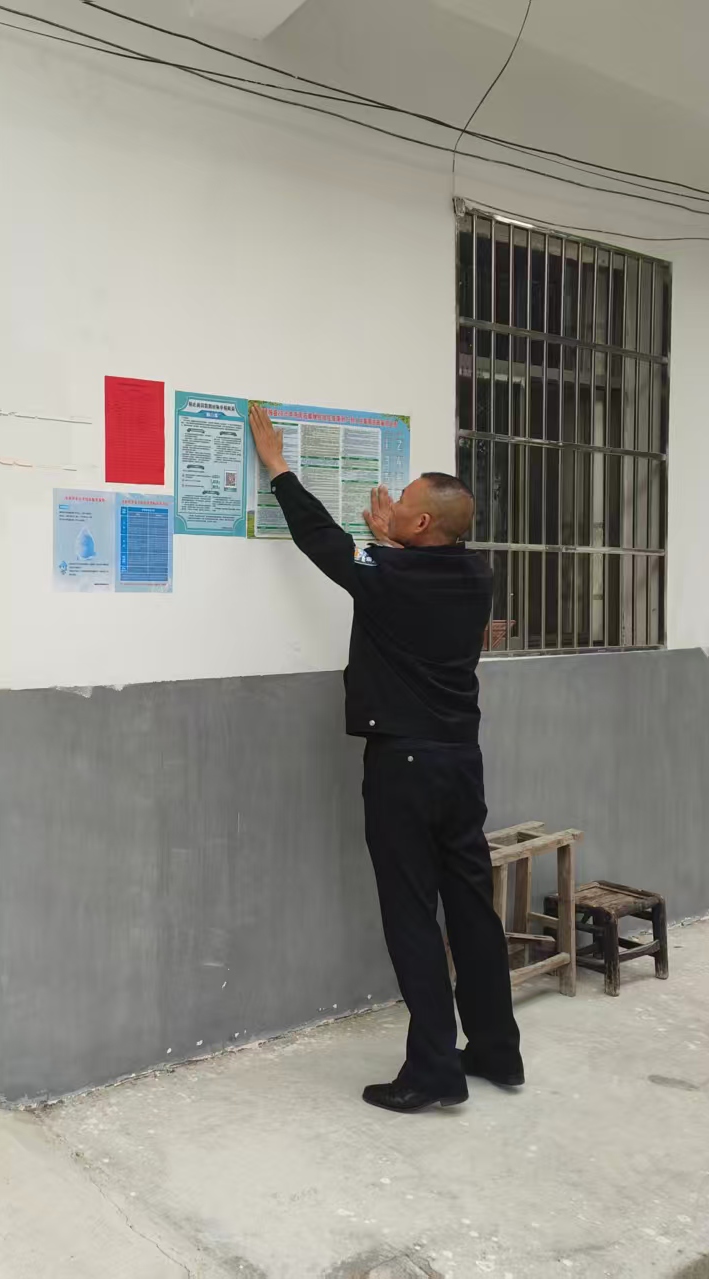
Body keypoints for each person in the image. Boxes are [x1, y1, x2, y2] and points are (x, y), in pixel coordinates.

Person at [248, 401, 522, 1114]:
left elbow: (321, 540)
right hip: (461, 763)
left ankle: (433, 1070)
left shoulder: (388, 574)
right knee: (471, 907)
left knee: (411, 914)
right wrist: (389, 545)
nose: (388, 505)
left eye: (401, 503)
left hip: (404, 767)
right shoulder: (476, 575)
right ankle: (496, 1049)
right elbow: (401, 569)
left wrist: (278, 467)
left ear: (422, 524)